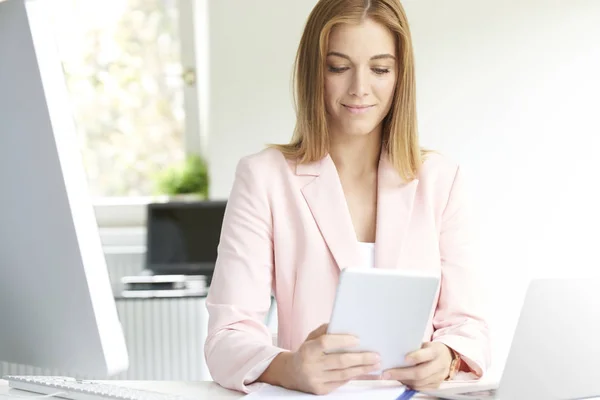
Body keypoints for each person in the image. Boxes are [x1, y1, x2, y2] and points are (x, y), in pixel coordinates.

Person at [204, 0, 491, 395]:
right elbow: (227, 336)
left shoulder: (441, 180)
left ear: (399, 76)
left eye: (380, 69)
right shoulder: (264, 177)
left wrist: (447, 357)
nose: (359, 88)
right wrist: (289, 367)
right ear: (313, 72)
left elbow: (469, 326)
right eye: (338, 67)